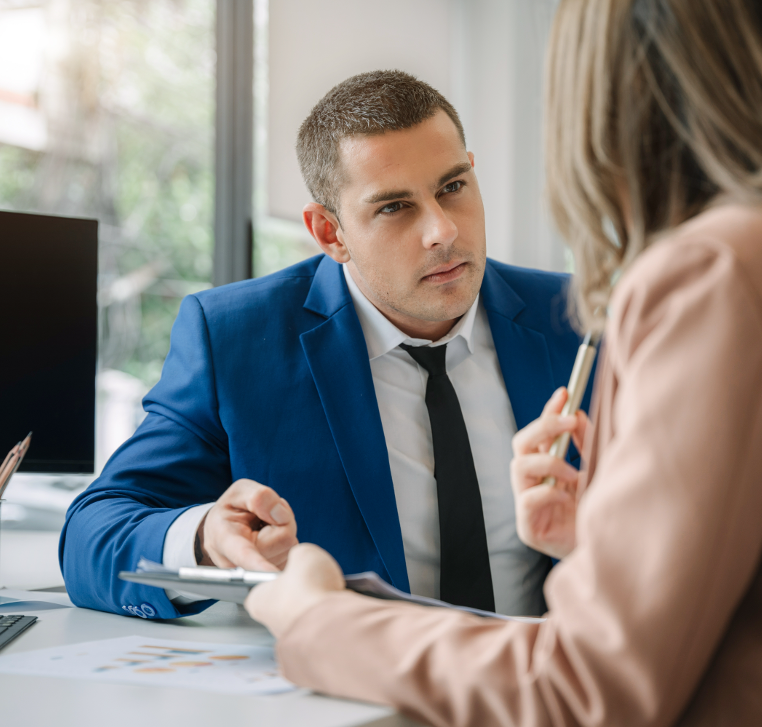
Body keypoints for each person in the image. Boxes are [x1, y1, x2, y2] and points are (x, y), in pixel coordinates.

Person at [243, 0, 762, 725]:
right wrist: (612, 546)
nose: (440, 231)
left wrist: (320, 619)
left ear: (605, 86)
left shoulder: (717, 278)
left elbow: (584, 691)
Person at [60, 70, 587, 620]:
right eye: (394, 207)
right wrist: (204, 540)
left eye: (452, 187)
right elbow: (93, 536)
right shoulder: (235, 339)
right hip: (351, 694)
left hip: (551, 685)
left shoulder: (578, 320)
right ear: (330, 233)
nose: (442, 231)